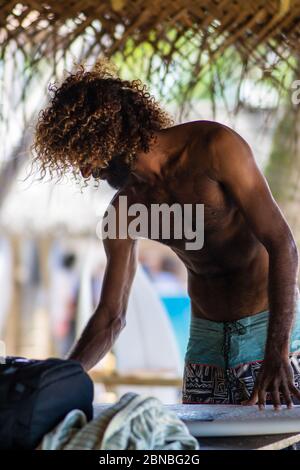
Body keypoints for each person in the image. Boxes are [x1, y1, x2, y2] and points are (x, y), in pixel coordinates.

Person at [33, 59, 300, 409]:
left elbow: (283, 244)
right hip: (205, 344)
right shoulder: (124, 211)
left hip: (272, 332)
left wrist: (277, 352)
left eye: (87, 155)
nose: (85, 172)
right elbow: (111, 316)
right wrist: (60, 380)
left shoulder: (214, 147)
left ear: (111, 134)